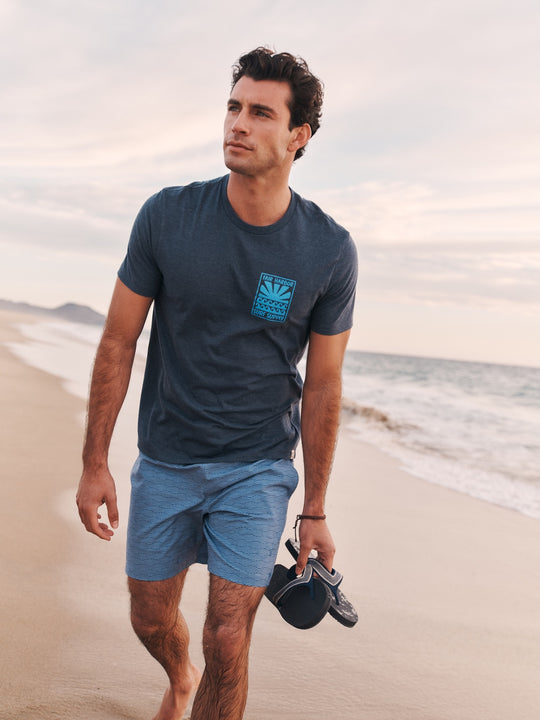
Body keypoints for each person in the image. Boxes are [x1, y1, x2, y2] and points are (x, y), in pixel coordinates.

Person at [76, 47, 357, 720]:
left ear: (298, 136)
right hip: (166, 457)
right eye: (234, 107)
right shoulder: (168, 217)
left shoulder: (327, 249)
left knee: (228, 636)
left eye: (260, 112)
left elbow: (323, 385)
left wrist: (315, 508)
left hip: (257, 468)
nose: (238, 123)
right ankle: (180, 678)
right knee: (150, 616)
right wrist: (94, 462)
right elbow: (118, 340)